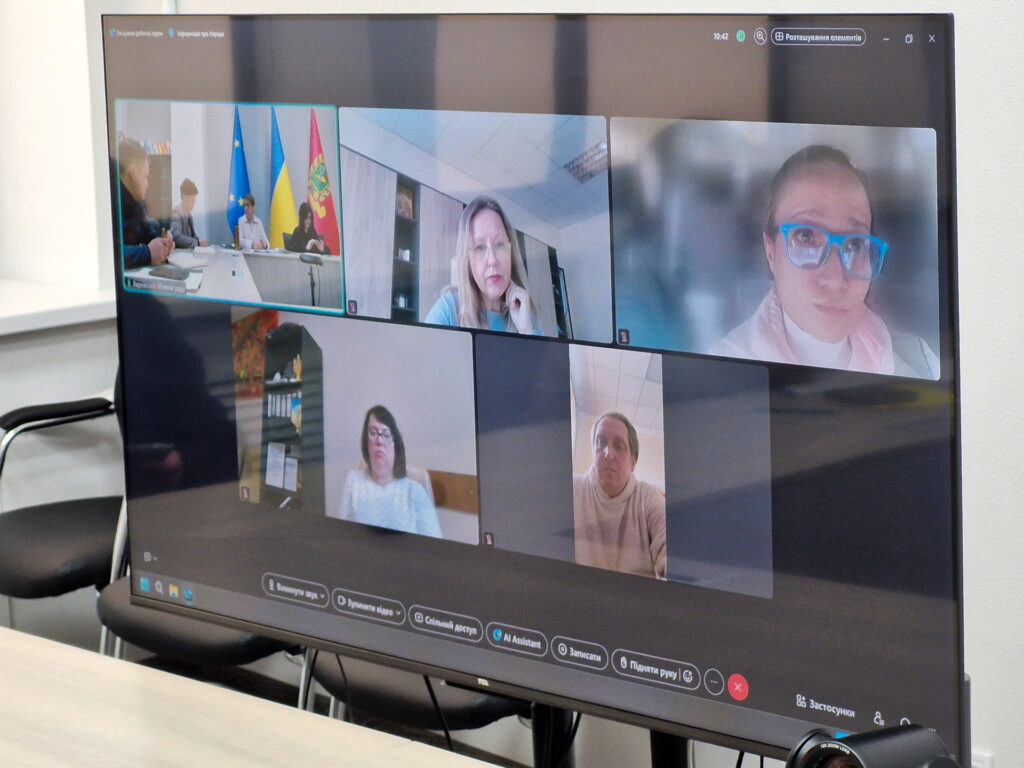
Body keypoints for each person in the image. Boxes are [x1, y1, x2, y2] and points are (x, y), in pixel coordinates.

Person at [710, 145, 939, 378]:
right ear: (770, 251)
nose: (835, 280)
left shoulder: (921, 361)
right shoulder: (721, 373)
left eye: (856, 244)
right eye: (806, 237)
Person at [424, 196, 540, 334]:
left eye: (499, 244)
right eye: (479, 248)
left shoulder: (525, 314)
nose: (492, 260)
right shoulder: (448, 310)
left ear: (511, 252)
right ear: (467, 261)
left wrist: (526, 331)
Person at [573, 412, 666, 579]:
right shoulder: (573, 489)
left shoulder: (649, 499)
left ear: (633, 462)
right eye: (601, 442)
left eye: (618, 446)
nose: (608, 453)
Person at [331, 405, 442, 537]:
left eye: (386, 434)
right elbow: (341, 536)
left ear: (396, 446)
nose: (379, 440)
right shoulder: (353, 481)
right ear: (366, 443)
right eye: (373, 433)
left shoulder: (414, 492)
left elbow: (434, 545)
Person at [117, 138, 172, 270]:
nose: (147, 185)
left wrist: (163, 243)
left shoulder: (137, 203)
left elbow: (148, 233)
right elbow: (109, 252)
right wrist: (147, 253)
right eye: (145, 176)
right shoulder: (109, 203)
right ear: (133, 172)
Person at [169, 178, 208, 249]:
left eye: (194, 199)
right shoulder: (176, 213)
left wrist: (200, 241)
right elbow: (176, 237)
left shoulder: (189, 216)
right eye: (191, 199)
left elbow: (192, 237)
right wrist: (197, 242)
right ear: (184, 197)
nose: (193, 203)